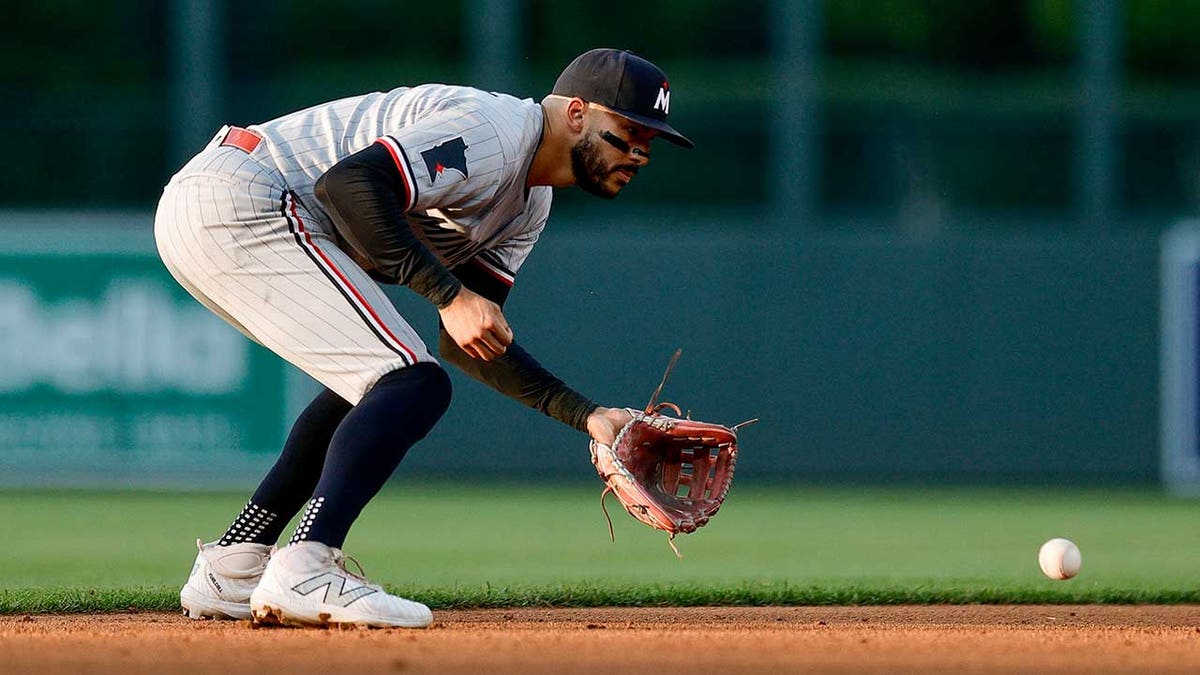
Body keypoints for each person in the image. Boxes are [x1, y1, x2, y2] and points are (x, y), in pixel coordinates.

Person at [156, 48, 693, 628]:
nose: (641, 151)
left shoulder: (528, 206)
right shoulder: (496, 133)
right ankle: (308, 564)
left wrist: (588, 416)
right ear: (578, 114)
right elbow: (349, 183)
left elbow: (468, 342)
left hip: (228, 205)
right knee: (409, 383)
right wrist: (449, 296)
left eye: (651, 139)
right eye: (630, 130)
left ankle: (234, 565)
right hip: (244, 194)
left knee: (376, 386)